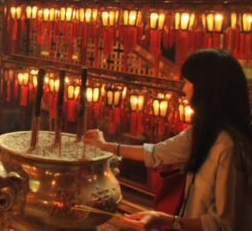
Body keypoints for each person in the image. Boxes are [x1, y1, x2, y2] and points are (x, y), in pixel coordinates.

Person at [84, 49, 252, 231]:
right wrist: (106, 146)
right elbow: (157, 153)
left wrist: (165, 220)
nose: (183, 89)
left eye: (188, 83)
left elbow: (224, 224)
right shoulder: (204, 132)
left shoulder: (228, 147)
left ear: (207, 88)